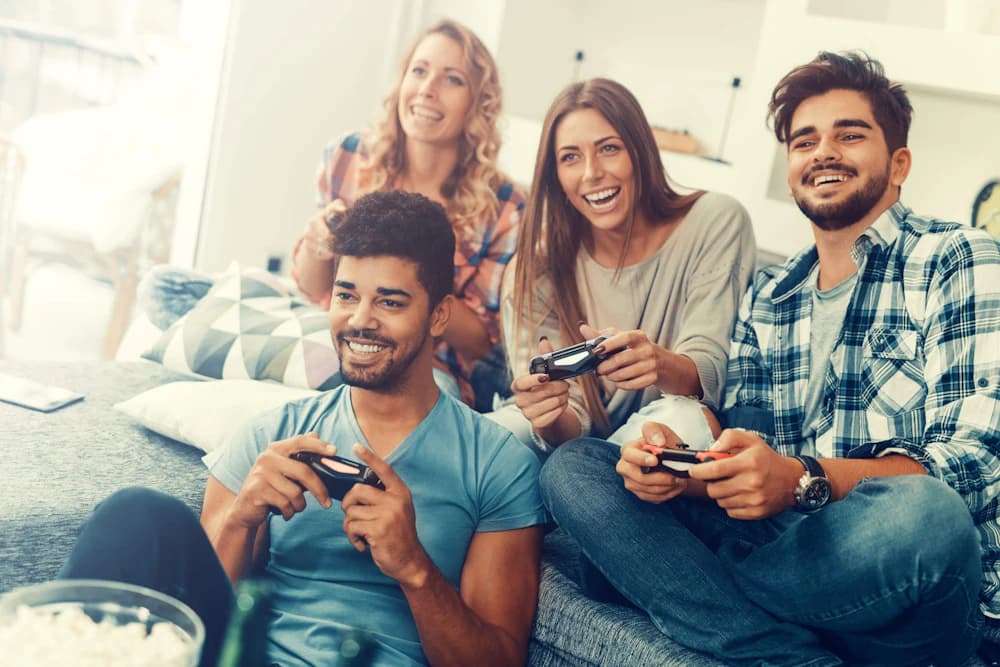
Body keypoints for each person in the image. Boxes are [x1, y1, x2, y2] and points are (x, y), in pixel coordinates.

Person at [539, 51, 1000, 666]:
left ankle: (673, 587)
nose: (824, 152)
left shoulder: (960, 257)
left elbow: (977, 468)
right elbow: (748, 449)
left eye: (850, 134)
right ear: (791, 171)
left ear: (899, 164)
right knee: (577, 472)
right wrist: (683, 470)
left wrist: (803, 478)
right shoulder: (773, 294)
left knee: (929, 517)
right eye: (804, 141)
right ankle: (779, 652)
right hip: (785, 553)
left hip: (895, 565)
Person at [62, 191, 547, 667]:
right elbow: (195, 615)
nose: (360, 320)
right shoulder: (273, 437)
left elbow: (498, 660)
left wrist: (413, 567)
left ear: (438, 314)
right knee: (136, 513)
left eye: (390, 303)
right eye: (346, 295)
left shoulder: (498, 464)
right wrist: (242, 519)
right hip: (248, 655)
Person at [142, 19, 525, 408]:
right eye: (420, 71)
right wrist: (317, 245)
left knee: (430, 398)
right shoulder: (350, 155)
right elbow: (311, 289)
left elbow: (481, 344)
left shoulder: (506, 205)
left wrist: (410, 268)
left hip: (413, 361)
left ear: (480, 102)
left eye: (452, 79)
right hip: (323, 327)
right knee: (165, 287)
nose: (427, 90)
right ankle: (304, 375)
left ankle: (285, 374)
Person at [489, 78, 755, 452]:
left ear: (641, 151)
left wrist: (659, 364)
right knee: (488, 442)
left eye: (609, 148)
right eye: (570, 157)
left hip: (668, 428)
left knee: (681, 420)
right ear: (555, 175)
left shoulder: (715, 220)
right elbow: (570, 424)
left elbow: (708, 374)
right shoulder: (535, 268)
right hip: (572, 450)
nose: (591, 173)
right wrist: (548, 419)